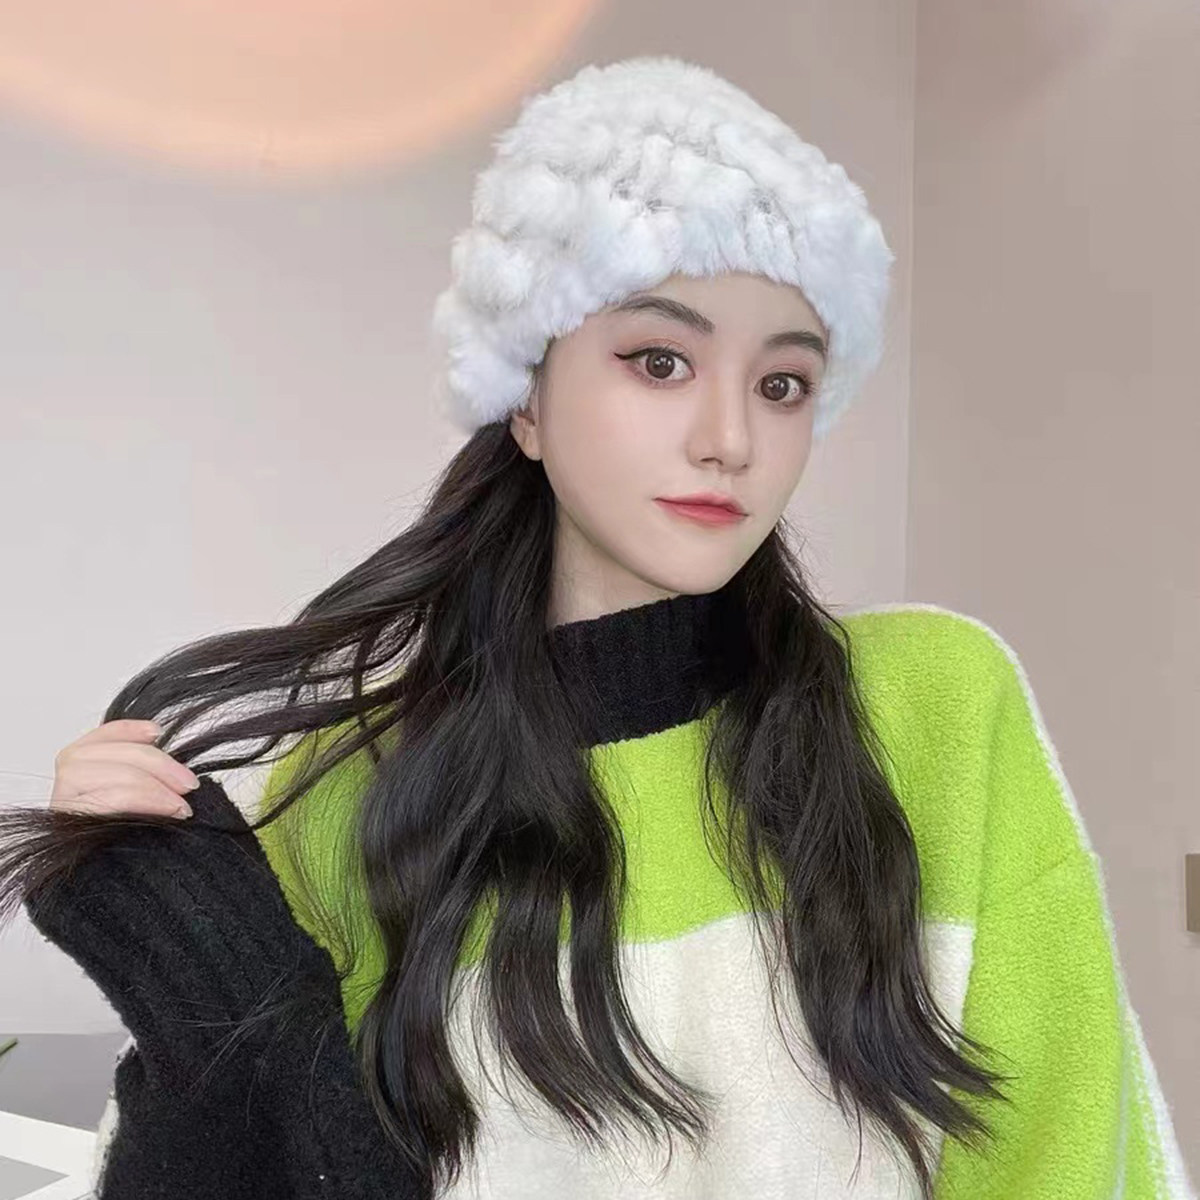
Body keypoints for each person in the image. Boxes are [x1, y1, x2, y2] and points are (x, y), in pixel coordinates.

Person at [3, 54, 1193, 1200]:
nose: (731, 438)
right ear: (524, 398)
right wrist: (208, 985)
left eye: (783, 383)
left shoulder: (937, 707)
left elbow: (1067, 1157)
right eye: (661, 360)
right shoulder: (350, 799)